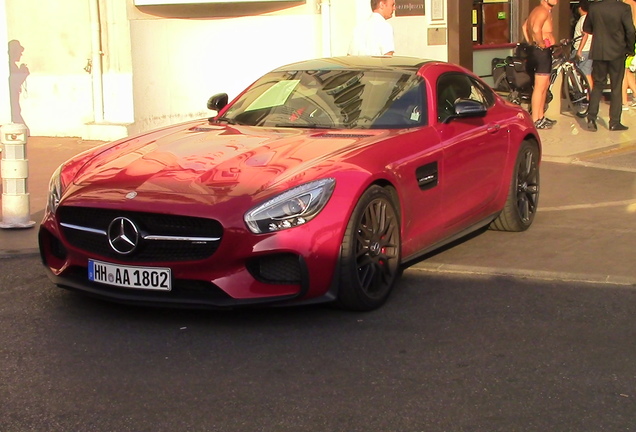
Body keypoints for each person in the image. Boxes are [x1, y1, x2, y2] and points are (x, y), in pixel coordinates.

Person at [584, 0, 636, 131]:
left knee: (598, 84)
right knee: (616, 86)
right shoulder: (623, 8)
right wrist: (630, 49)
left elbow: (587, 28)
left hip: (599, 51)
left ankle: (591, 117)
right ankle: (614, 122)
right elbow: (630, 30)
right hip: (617, 51)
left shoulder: (594, 7)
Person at [522, 0, 559, 130]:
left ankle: (540, 116)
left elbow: (524, 27)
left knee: (544, 85)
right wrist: (540, 44)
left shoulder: (538, 10)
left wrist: (531, 43)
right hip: (542, 52)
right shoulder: (542, 11)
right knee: (540, 86)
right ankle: (536, 119)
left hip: (541, 52)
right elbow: (536, 28)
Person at [573, 0, 593, 91]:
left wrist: (579, 50)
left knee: (572, 70)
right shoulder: (590, 19)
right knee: (587, 74)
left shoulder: (583, 20)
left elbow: (585, 35)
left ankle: (577, 92)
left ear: (580, 8)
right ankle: (590, 96)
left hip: (582, 50)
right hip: (589, 49)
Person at [622, 0, 636, 108]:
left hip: (629, 40)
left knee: (622, 72)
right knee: (627, 71)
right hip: (632, 40)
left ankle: (624, 101)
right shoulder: (632, 3)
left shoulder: (627, 4)